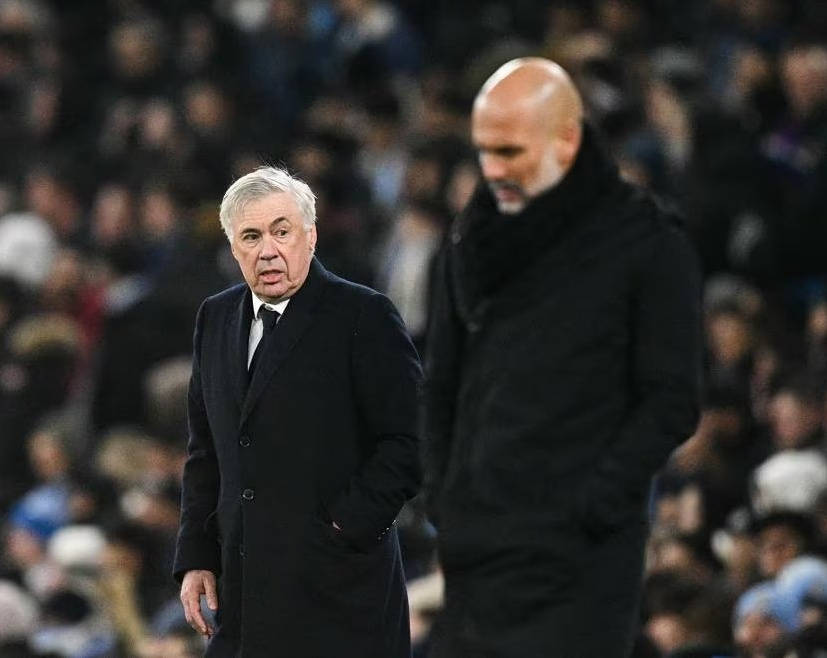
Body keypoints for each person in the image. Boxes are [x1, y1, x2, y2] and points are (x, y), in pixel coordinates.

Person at [423, 58, 703, 657]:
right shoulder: (468, 241)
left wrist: (590, 506)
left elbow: (672, 399)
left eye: (510, 152)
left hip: (578, 564)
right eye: (484, 152)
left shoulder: (646, 242)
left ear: (567, 141)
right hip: (477, 550)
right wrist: (445, 499)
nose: (493, 170)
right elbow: (439, 382)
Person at [172, 166, 423, 657]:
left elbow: (411, 439)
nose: (268, 250)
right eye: (251, 236)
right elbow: (206, 451)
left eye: (281, 231)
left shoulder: (363, 315)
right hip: (242, 598)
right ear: (233, 248)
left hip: (341, 598)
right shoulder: (215, 317)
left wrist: (345, 525)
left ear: (311, 236)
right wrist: (197, 555)